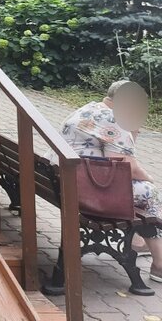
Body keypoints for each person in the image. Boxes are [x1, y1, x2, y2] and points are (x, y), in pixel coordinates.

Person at [60, 80, 161, 283]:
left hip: (63, 181)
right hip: (88, 190)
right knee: (150, 192)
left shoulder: (89, 109)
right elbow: (128, 167)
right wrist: (150, 178)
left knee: (142, 192)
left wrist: (133, 134)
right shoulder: (116, 119)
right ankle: (159, 265)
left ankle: (139, 242)